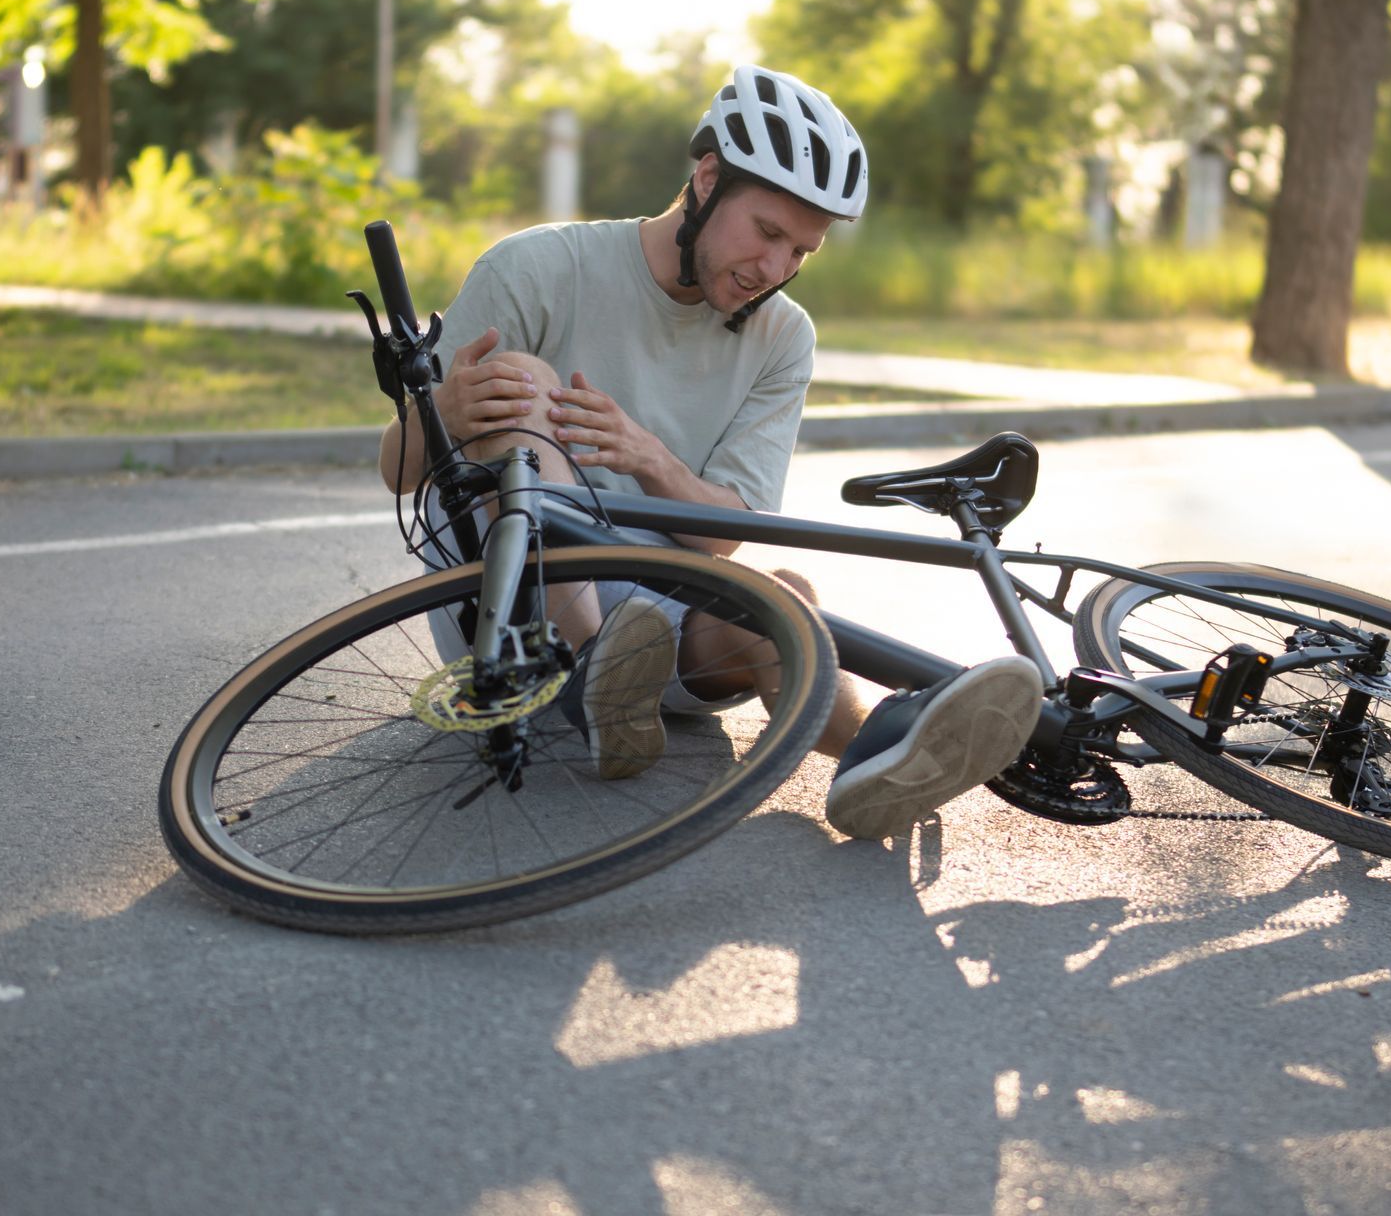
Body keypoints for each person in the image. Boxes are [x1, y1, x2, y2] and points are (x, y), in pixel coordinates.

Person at [376, 64, 1043, 840]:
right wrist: (444, 413)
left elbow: (724, 535)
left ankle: (874, 757)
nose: (776, 269)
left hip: (662, 623)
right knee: (520, 381)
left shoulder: (783, 337)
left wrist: (648, 457)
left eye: (802, 251)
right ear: (707, 179)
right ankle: (598, 675)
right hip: (513, 610)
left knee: (782, 595)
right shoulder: (540, 268)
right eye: (767, 232)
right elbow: (398, 470)